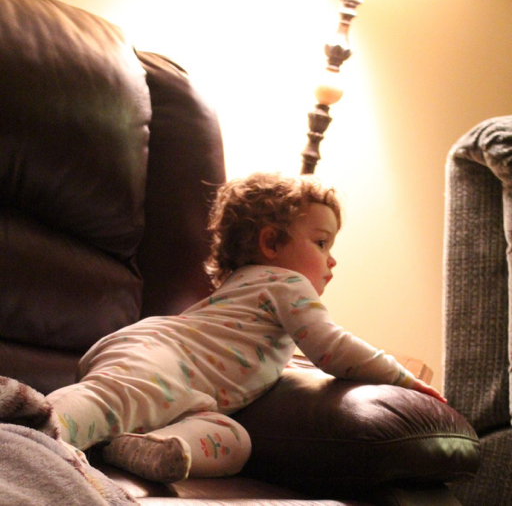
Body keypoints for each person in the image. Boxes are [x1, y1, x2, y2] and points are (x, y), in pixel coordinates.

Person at [47, 172, 446, 483]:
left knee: (233, 440)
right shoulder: (287, 283)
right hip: (162, 357)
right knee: (113, 399)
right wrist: (401, 378)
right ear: (271, 243)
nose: (332, 260)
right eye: (322, 243)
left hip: (189, 389)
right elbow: (332, 348)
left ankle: (149, 449)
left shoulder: (242, 291)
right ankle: (39, 427)